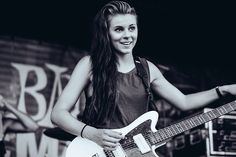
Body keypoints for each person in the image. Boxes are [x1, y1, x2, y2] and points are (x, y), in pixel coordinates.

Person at [51, 0, 236, 152]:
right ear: (105, 33)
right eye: (118, 29)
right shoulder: (90, 65)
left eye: (132, 28)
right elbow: (58, 114)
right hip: (98, 150)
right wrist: (92, 134)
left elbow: (184, 102)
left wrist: (224, 90)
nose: (127, 35)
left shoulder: (148, 69)